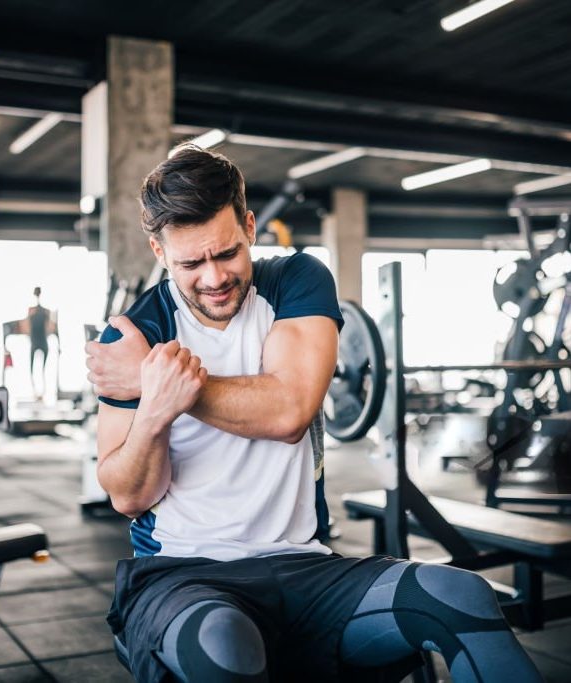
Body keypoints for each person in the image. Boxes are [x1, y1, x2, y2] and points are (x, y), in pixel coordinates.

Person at [85, 146, 542, 683]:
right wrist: (155, 410)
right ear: (159, 252)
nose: (213, 278)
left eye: (226, 253)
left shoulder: (296, 280)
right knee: (221, 644)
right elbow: (128, 493)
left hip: (307, 565)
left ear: (250, 226)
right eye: (191, 263)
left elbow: (289, 411)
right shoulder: (136, 336)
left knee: (459, 595)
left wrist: (164, 383)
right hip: (183, 575)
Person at [28, 286, 52, 399]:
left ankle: (42, 392)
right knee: (33, 369)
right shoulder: (32, 311)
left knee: (42, 369)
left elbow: (49, 328)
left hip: (41, 341)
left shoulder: (43, 311)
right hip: (36, 341)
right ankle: (36, 392)